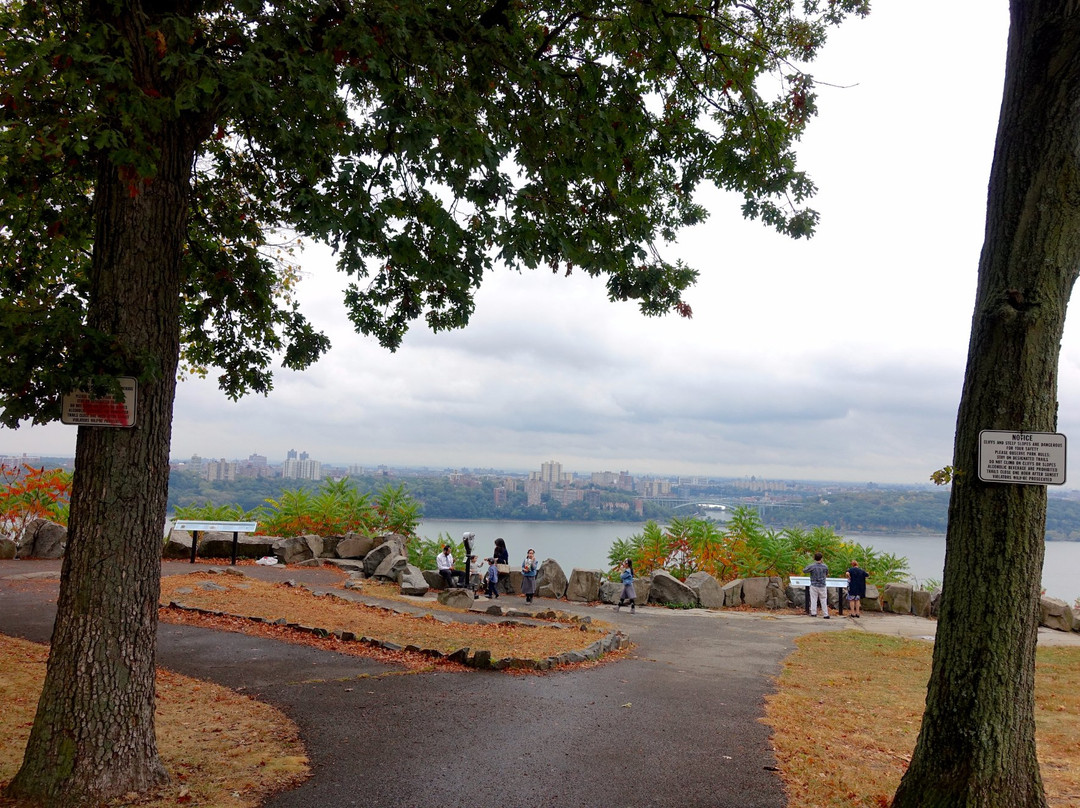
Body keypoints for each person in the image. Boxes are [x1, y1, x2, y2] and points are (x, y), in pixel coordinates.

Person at [803, 552, 830, 618]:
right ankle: (825, 614)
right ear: (821, 558)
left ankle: (813, 613)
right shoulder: (825, 566)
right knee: (823, 599)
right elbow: (826, 573)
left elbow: (804, 570)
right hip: (822, 585)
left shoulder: (812, 566)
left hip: (814, 584)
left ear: (814, 558)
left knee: (813, 599)